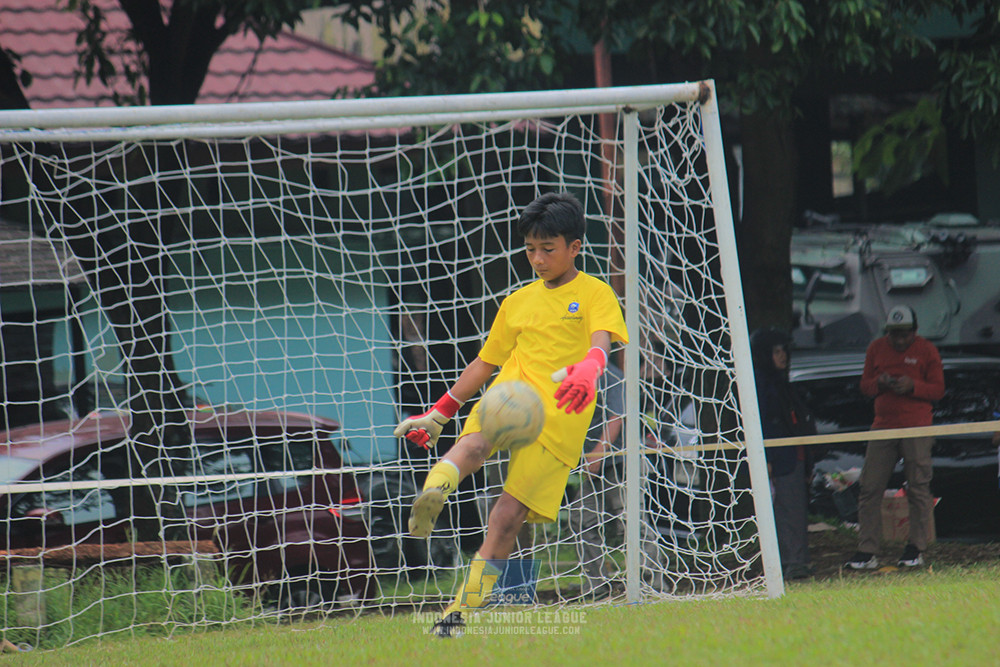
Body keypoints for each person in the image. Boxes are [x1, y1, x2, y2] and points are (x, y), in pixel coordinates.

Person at [393, 192, 628, 637]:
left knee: (505, 517)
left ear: (575, 246)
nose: (537, 259)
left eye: (548, 249)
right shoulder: (517, 301)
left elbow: (602, 343)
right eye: (529, 250)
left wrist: (590, 367)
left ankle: (457, 613)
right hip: (510, 397)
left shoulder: (596, 293)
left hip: (558, 418)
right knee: (474, 443)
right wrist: (439, 414)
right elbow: (485, 363)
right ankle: (434, 494)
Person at [846, 305, 944, 570]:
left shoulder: (927, 350)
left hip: (917, 427)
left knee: (918, 486)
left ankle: (916, 548)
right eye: (894, 334)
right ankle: (867, 550)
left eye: (904, 334)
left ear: (915, 332)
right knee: (870, 487)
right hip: (883, 426)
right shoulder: (875, 348)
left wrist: (913, 386)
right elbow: (865, 386)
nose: (899, 340)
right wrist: (881, 382)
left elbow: (938, 389)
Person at [570, 359, 664, 600]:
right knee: (582, 519)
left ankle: (653, 586)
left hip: (622, 461)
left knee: (632, 521)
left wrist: (598, 452)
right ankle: (597, 589)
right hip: (594, 464)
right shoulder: (569, 373)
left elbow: (616, 417)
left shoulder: (609, 374)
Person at [750, 327, 815, 580]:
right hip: (779, 458)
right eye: (776, 352)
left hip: (794, 456)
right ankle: (791, 561)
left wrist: (808, 460)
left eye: (783, 351)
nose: (782, 356)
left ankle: (798, 560)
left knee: (794, 510)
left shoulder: (782, 382)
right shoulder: (761, 383)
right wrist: (766, 459)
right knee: (784, 511)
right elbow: (764, 422)